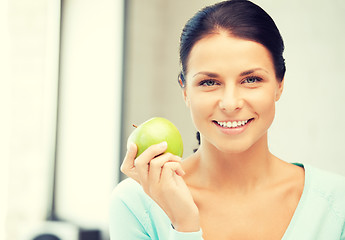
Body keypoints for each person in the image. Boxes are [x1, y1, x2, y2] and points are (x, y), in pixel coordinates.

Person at [109, 0, 345, 239]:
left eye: (251, 79)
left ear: (279, 84)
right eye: (209, 82)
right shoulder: (135, 205)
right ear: (185, 91)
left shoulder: (338, 203)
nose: (230, 103)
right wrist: (184, 225)